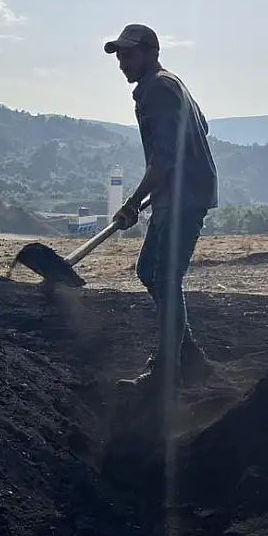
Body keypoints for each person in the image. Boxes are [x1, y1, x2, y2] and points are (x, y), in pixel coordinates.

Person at [103, 23, 219, 395]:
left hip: (186, 196)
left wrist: (134, 202)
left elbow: (165, 156)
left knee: (165, 277)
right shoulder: (167, 84)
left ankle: (168, 373)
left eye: (129, 54)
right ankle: (191, 359)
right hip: (177, 192)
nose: (122, 62)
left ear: (151, 53)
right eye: (119, 55)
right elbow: (203, 128)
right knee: (148, 271)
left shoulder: (160, 90)